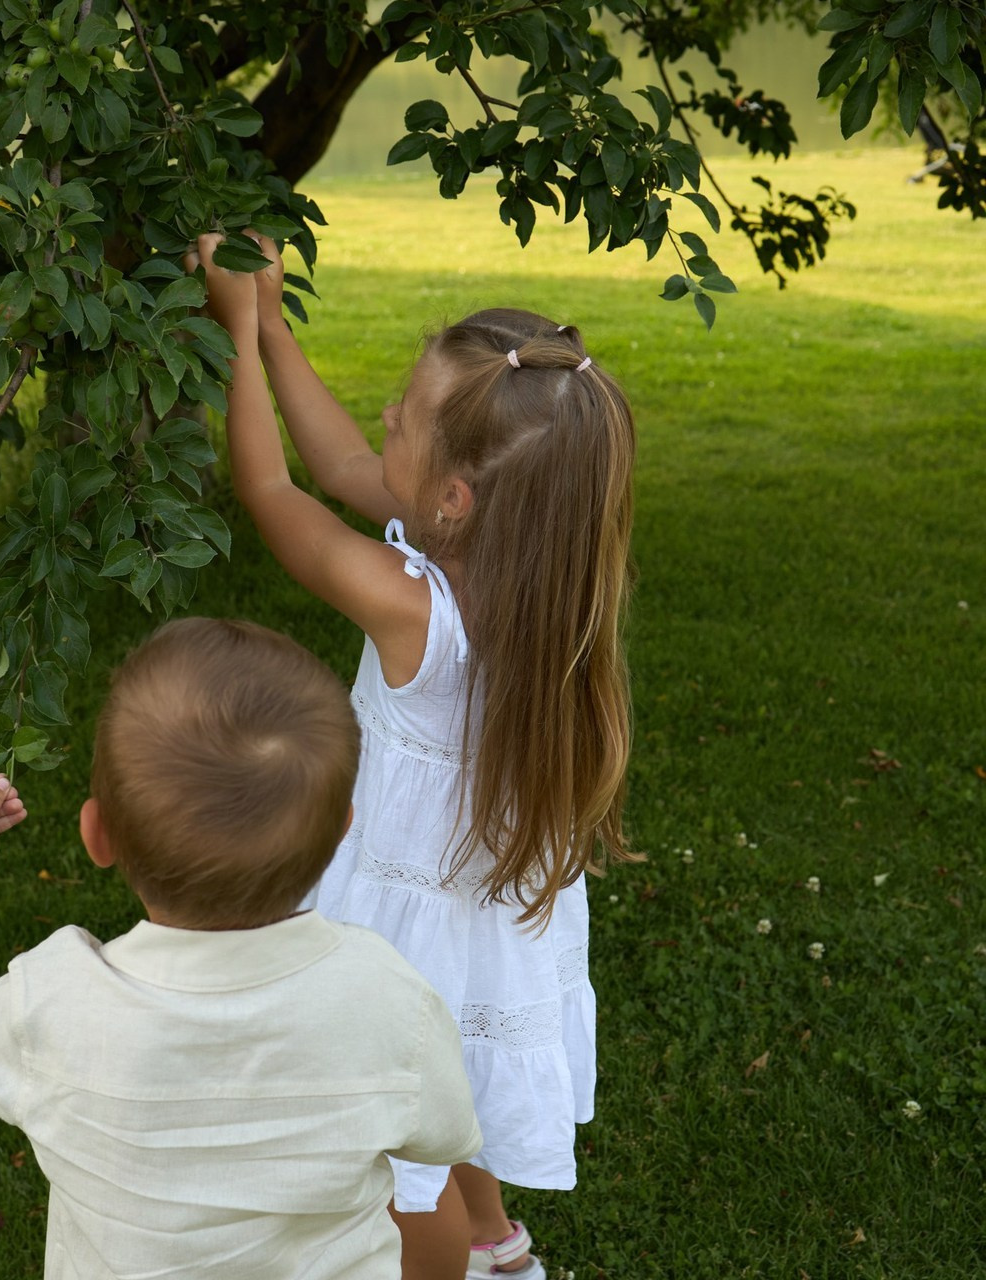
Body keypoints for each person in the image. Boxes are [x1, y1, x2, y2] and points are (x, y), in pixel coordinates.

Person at [190, 233, 638, 1280]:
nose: (383, 414)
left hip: (405, 928)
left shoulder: (409, 607)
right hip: (474, 916)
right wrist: (268, 317)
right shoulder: (532, 569)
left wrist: (239, 345)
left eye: (403, 410)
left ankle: (441, 1258)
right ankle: (495, 1246)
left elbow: (273, 490)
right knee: (456, 1083)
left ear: (454, 498)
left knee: (397, 1161)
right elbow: (346, 465)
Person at [0, 616, 483, 1280]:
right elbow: (442, 1139)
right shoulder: (387, 999)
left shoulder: (55, 1005)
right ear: (340, 835)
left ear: (97, 836)